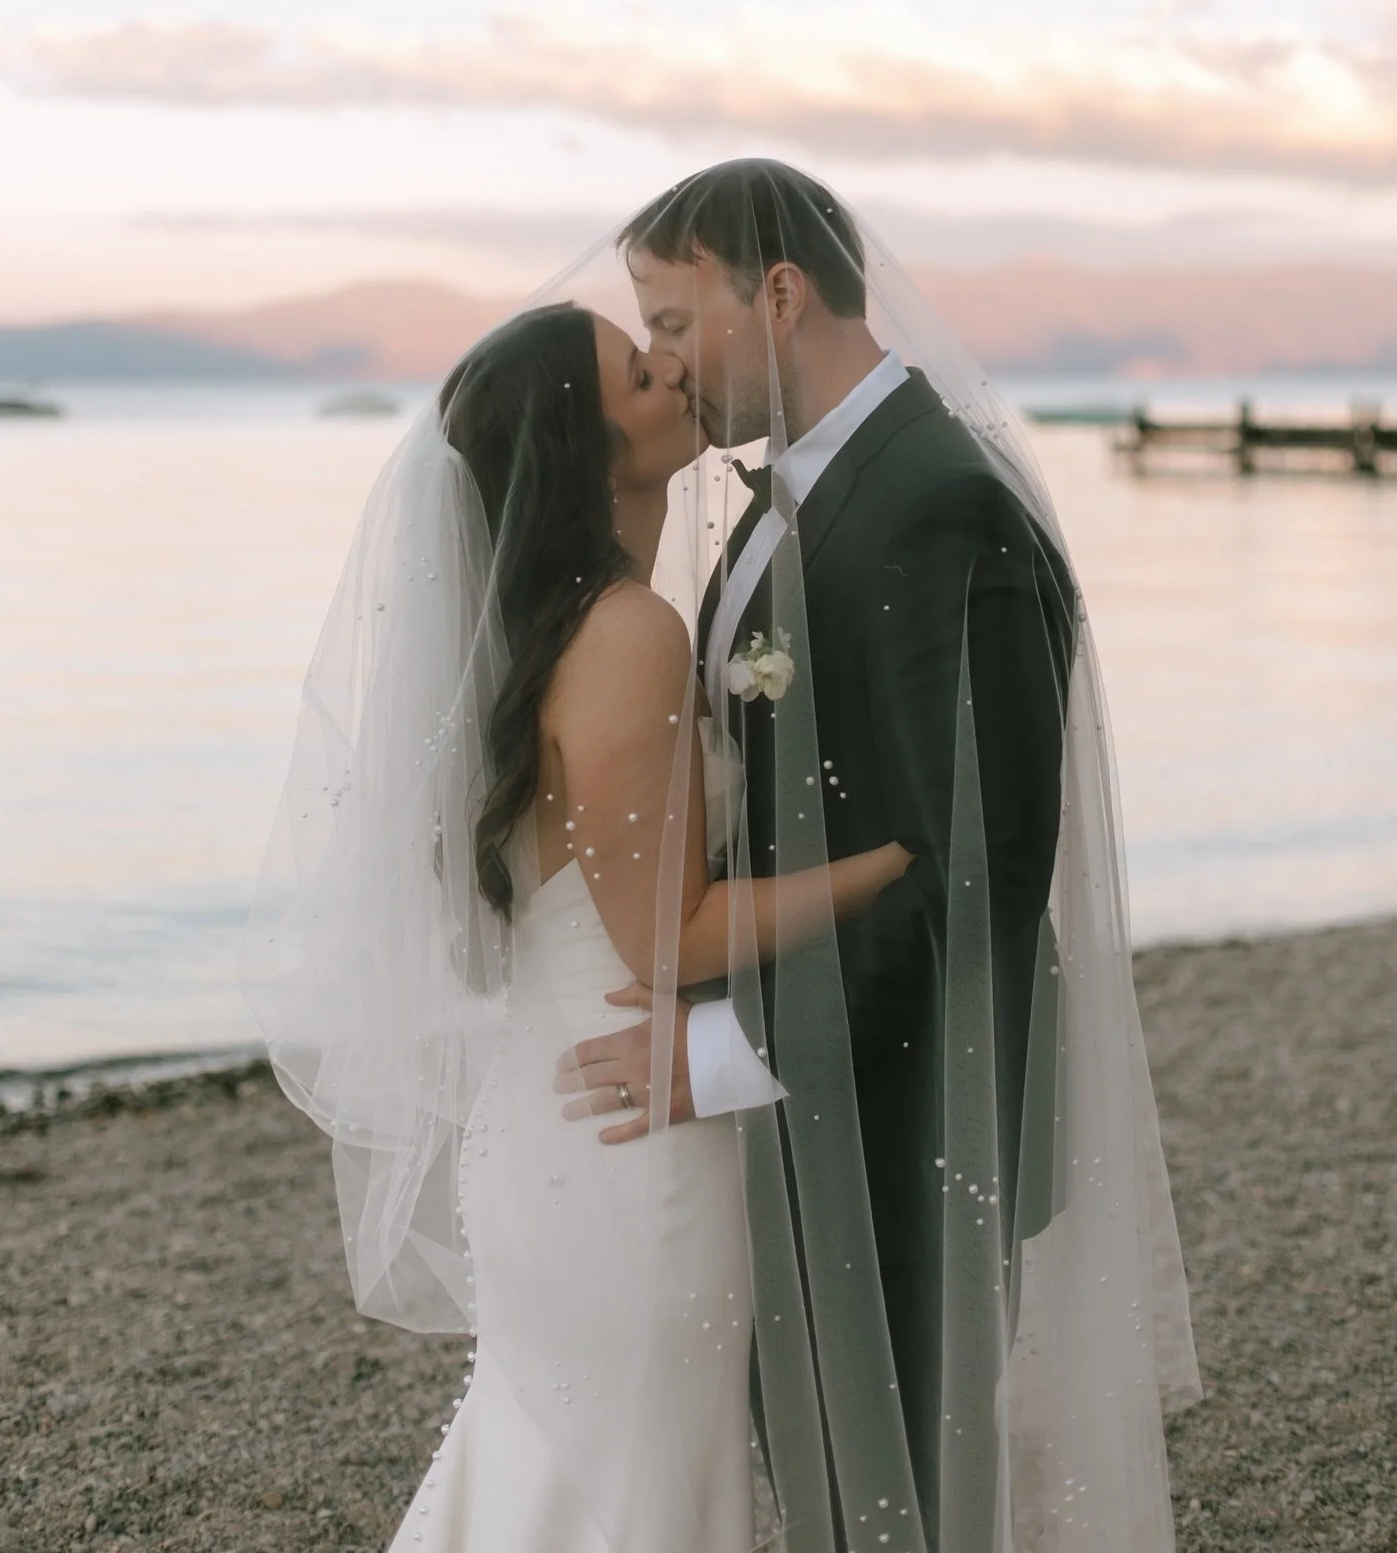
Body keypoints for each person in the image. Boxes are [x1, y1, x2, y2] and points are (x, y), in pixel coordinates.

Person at [244, 162, 1200, 1553]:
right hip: (675, 1111)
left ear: (780, 292)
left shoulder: (941, 504)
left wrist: (724, 1054)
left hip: (896, 1111)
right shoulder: (759, 520)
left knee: (897, 1503)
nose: (671, 364)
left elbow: (978, 868)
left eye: (671, 321)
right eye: (643, 346)